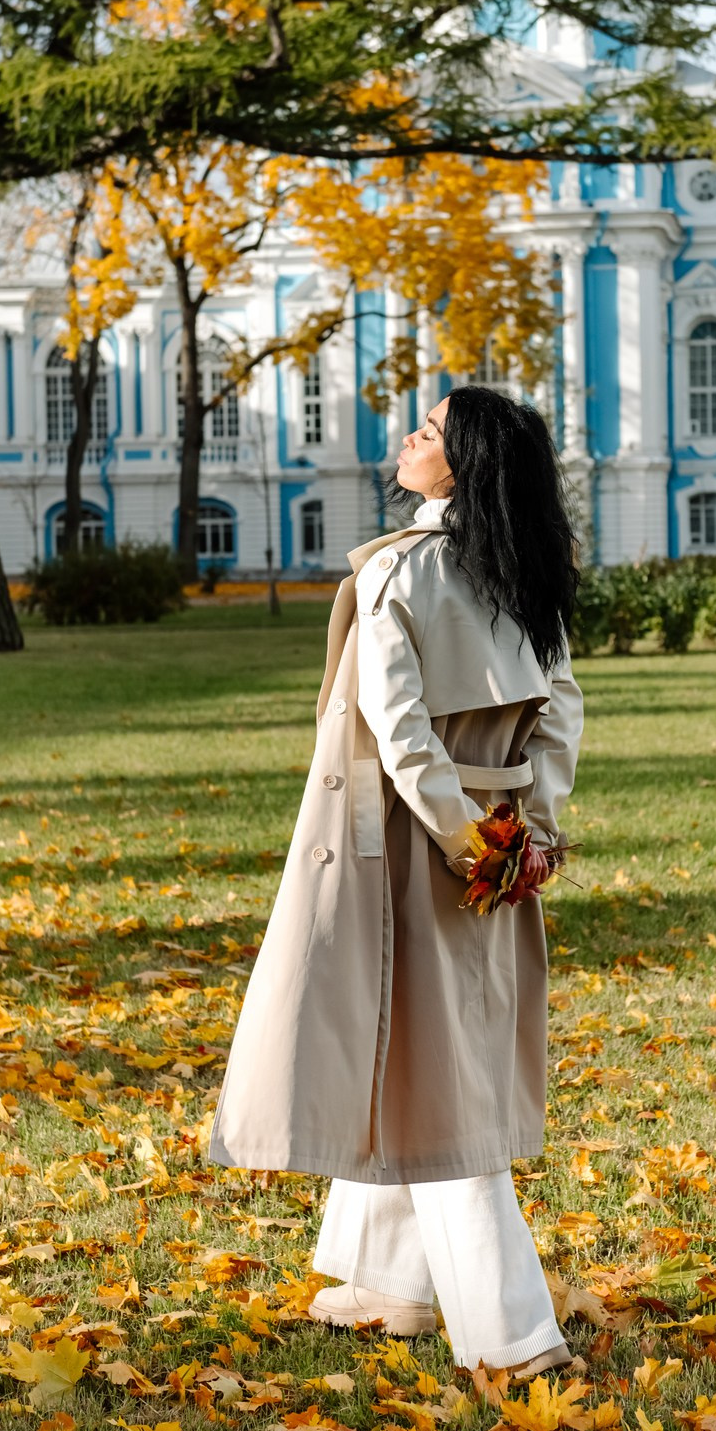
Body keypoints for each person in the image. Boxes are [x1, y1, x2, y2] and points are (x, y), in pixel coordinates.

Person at [209, 385, 584, 1379]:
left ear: (462, 462)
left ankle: (509, 1335)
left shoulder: (396, 574)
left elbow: (403, 738)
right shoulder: (524, 571)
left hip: (417, 850)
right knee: (428, 1044)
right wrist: (525, 832)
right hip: (499, 842)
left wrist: (470, 844)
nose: (410, 438)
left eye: (430, 430)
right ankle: (386, 1281)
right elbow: (559, 713)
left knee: (443, 1073)